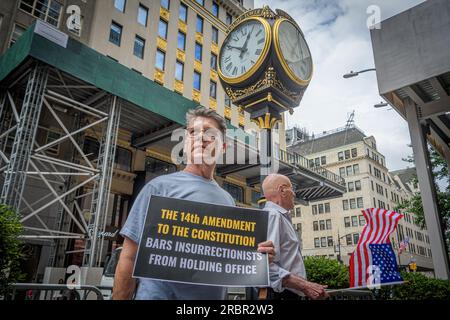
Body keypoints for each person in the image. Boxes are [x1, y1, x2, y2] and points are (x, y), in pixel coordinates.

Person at [113, 106, 275, 300]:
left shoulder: (228, 200)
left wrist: (258, 258)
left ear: (223, 147)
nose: (200, 136)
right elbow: (129, 257)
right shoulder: (158, 188)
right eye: (192, 132)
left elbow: (231, 262)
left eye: (209, 132)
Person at [262, 173, 329, 300]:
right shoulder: (273, 216)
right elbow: (265, 266)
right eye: (291, 188)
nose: (294, 193)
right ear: (282, 190)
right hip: (280, 295)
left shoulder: (279, 217)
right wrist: (305, 286)